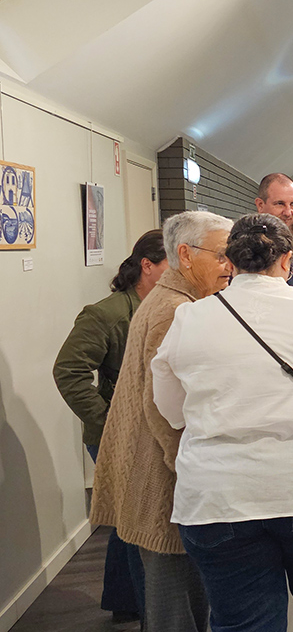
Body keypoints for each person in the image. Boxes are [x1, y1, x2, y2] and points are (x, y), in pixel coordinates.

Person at [149, 213, 293, 632]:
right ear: (288, 260)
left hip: (219, 497)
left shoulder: (190, 318)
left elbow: (171, 410)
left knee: (243, 623)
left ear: (229, 261)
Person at [90, 211, 234, 632]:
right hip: (161, 476)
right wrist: (190, 470)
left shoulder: (175, 300)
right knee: (175, 603)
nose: (229, 264)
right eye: (221, 255)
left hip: (156, 469)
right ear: (185, 255)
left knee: (180, 596)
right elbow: (161, 407)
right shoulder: (175, 308)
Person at [53, 230, 167, 624]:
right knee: (136, 522)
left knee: (126, 519)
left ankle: (124, 602)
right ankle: (146, 612)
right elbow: (69, 371)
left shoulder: (165, 307)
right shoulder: (107, 314)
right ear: (147, 266)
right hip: (117, 436)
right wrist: (108, 423)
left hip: (145, 432)